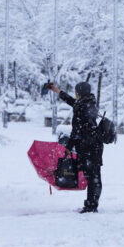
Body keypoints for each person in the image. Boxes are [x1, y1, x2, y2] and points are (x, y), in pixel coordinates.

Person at [49, 81, 102, 213]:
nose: (75, 94)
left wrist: (68, 147)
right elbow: (72, 102)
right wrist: (57, 91)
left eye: (76, 92)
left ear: (80, 92)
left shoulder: (81, 107)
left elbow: (76, 131)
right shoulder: (88, 103)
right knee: (94, 176)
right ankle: (92, 204)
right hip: (95, 146)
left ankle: (91, 206)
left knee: (93, 177)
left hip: (88, 147)